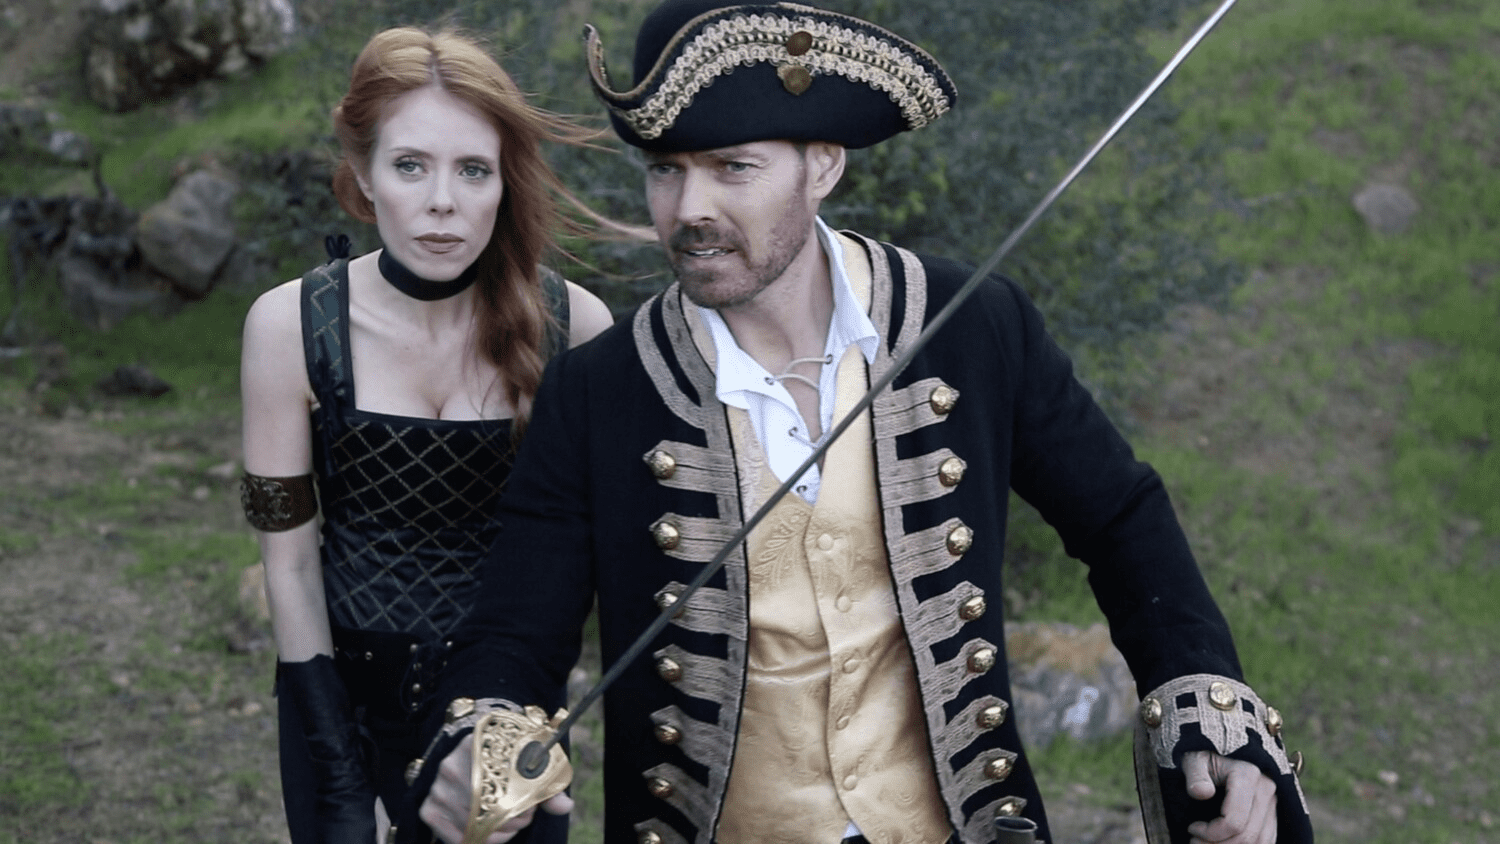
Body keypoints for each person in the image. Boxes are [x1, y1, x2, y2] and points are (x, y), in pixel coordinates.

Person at [404, 2, 1315, 843]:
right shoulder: (599, 390)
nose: (690, 211)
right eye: (665, 172)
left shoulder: (971, 325)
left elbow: (1121, 520)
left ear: (824, 166)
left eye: (733, 168)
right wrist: (485, 732)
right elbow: (516, 633)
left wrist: (1210, 709)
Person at [238, 26, 618, 844]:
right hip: (339, 712)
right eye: (410, 165)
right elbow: (290, 563)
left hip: (507, 721)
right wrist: (340, 778)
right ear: (363, 174)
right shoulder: (290, 327)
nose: (442, 201)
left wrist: (528, 720)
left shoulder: (575, 327)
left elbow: (588, 560)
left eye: (473, 169)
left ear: (504, 181)